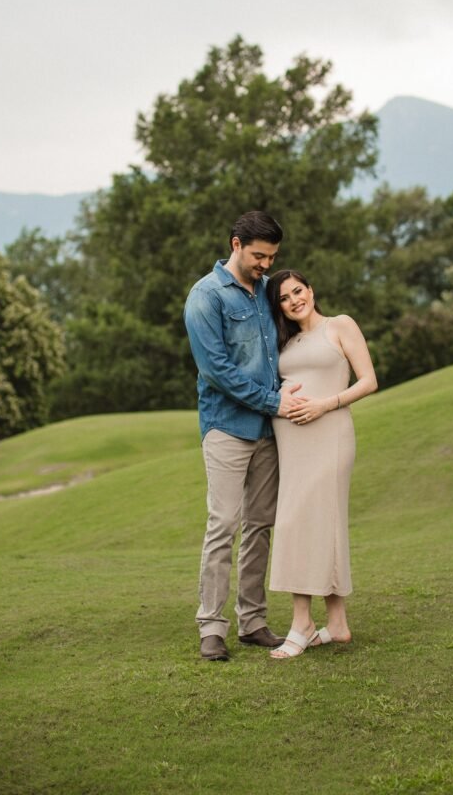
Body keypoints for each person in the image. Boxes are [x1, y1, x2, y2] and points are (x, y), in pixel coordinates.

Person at [184, 212, 304, 662]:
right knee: (223, 525)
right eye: (259, 256)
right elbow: (216, 370)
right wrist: (274, 402)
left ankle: (252, 621)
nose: (266, 265)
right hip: (227, 427)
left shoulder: (268, 291)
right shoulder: (205, 296)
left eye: (272, 257)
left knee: (260, 526)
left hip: (269, 431)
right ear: (236, 244)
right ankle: (211, 627)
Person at [265, 269, 378, 659]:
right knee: (307, 523)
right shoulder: (286, 341)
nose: (294, 300)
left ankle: (302, 625)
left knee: (306, 523)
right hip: (292, 443)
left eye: (298, 291)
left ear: (311, 291)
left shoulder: (339, 325)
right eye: (284, 298)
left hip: (329, 435)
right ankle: (337, 624)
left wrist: (323, 405)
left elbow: (368, 381)